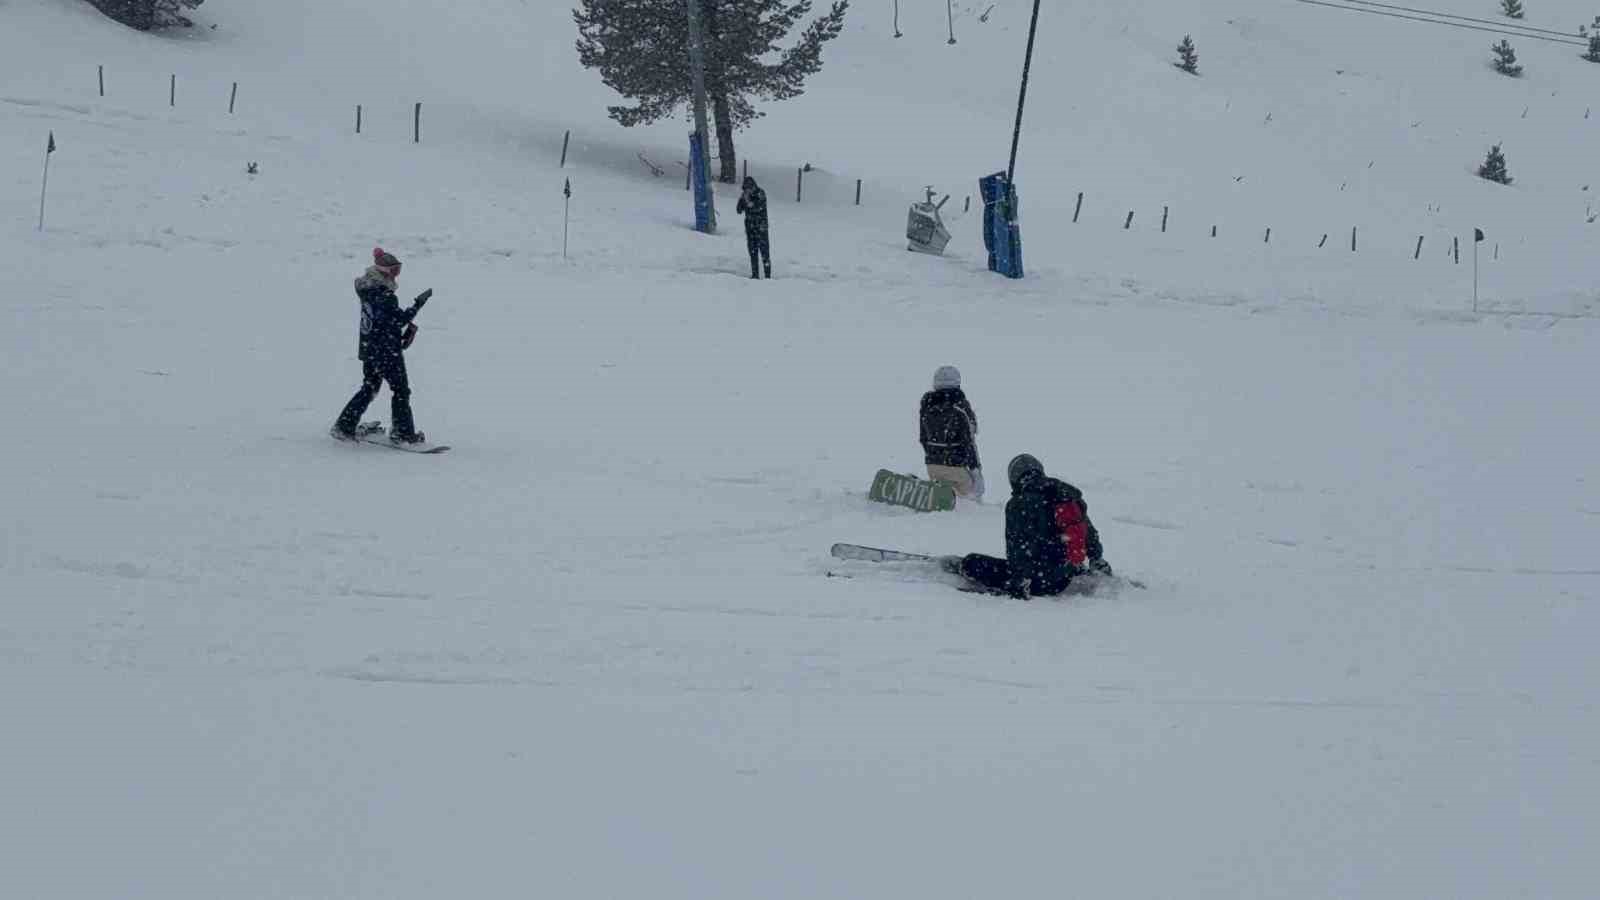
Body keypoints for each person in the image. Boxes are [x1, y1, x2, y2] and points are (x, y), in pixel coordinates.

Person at [948, 454, 1113, 599]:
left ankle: (961, 565)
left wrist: (1020, 581)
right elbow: (1087, 532)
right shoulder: (1066, 495)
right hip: (1069, 572)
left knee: (972, 561)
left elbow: (1017, 547)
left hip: (1040, 582)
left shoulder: (1018, 504)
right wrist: (1096, 558)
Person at [331, 248, 433, 444]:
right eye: (394, 271)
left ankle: (344, 425)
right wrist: (418, 304)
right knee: (401, 390)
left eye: (398, 270)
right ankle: (402, 433)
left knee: (369, 387)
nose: (396, 275)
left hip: (370, 349)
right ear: (383, 271)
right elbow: (399, 319)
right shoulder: (383, 295)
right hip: (386, 352)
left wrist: (398, 335)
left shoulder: (368, 290)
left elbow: (385, 322)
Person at [919, 365, 984, 499]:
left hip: (932, 467)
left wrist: (935, 456)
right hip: (957, 468)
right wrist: (976, 472)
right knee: (970, 503)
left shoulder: (927, 407)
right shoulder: (961, 407)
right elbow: (969, 443)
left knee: (945, 501)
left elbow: (923, 439)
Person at [735, 175, 771, 279]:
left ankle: (768, 277)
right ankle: (755, 275)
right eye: (746, 190)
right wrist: (742, 200)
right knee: (753, 253)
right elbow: (738, 210)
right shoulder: (745, 196)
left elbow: (756, 207)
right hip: (750, 229)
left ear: (753, 187)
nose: (748, 191)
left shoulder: (761, 193)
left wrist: (748, 201)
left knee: (765, 253)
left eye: (749, 189)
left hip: (761, 228)